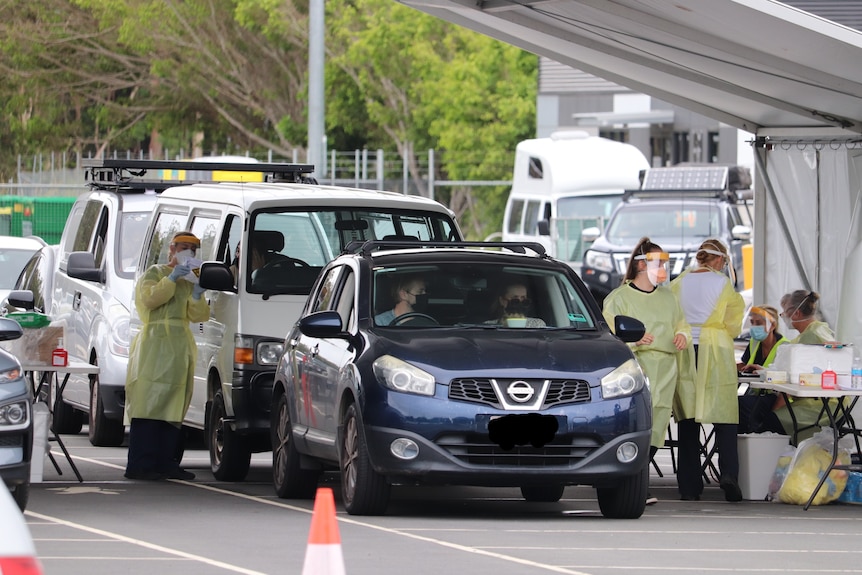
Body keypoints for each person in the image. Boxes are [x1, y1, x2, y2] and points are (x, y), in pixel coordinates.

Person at [602, 238, 690, 505]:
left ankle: (635, 479)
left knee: (657, 426)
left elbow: (681, 324)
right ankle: (632, 482)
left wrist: (682, 336)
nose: (663, 267)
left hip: (666, 368)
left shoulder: (668, 297)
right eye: (658, 262)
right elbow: (609, 338)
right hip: (637, 369)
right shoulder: (619, 299)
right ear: (642, 265)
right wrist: (635, 341)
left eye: (665, 263)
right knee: (637, 424)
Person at [124, 231, 210, 481]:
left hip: (179, 346)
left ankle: (166, 462)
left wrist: (197, 294)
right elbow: (150, 300)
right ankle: (141, 464)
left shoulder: (190, 279)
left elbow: (198, 315)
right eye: (183, 247)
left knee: (173, 405)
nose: (188, 253)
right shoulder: (155, 273)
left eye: (192, 249)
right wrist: (171, 278)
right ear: (171, 249)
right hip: (154, 345)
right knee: (149, 405)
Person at [671, 238, 745, 502]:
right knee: (725, 415)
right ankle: (729, 474)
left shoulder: (678, 283)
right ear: (717, 259)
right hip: (716, 350)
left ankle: (689, 486)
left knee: (688, 419)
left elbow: (670, 316)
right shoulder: (722, 283)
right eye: (723, 261)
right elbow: (734, 320)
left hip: (686, 350)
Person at [736, 305, 790, 434]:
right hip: (755, 393)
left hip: (775, 396)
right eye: (752, 322)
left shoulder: (785, 347)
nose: (754, 327)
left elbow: (786, 377)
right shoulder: (754, 343)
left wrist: (763, 371)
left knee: (740, 405)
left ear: (772, 325)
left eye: (758, 323)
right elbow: (744, 364)